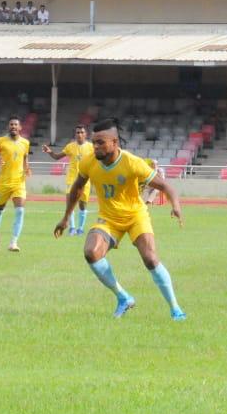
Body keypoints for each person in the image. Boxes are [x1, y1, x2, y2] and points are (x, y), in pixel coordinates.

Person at [54, 118, 186, 321]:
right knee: (91, 252)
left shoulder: (132, 162)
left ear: (114, 142)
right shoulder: (89, 161)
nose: (95, 146)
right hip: (108, 219)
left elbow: (166, 186)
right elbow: (77, 188)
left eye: (101, 142)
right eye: (94, 142)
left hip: (135, 216)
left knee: (150, 259)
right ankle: (123, 297)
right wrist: (65, 218)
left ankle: (175, 308)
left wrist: (175, 206)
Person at [0, 117, 31, 252]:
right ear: (8, 126)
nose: (13, 126)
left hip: (19, 182)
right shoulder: (0, 141)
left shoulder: (25, 143)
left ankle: (13, 242)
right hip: (4, 182)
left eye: (15, 124)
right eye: (11, 124)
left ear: (20, 128)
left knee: (20, 210)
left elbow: (25, 158)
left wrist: (27, 168)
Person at [42, 124, 93, 236]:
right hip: (72, 179)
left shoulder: (91, 147)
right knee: (70, 203)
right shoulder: (70, 147)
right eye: (77, 132)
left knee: (82, 205)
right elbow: (57, 157)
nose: (79, 134)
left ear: (86, 134)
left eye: (81, 132)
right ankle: (72, 228)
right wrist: (49, 151)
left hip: (85, 180)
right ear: (75, 134)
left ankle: (80, 229)